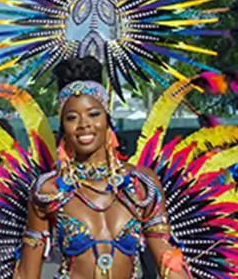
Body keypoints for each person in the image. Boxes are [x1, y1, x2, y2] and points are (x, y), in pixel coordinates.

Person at [15, 57, 191, 279]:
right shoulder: (48, 191)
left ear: (107, 119)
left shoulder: (141, 185)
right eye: (71, 117)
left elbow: (167, 260)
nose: (84, 124)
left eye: (94, 114)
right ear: (63, 127)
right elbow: (26, 274)